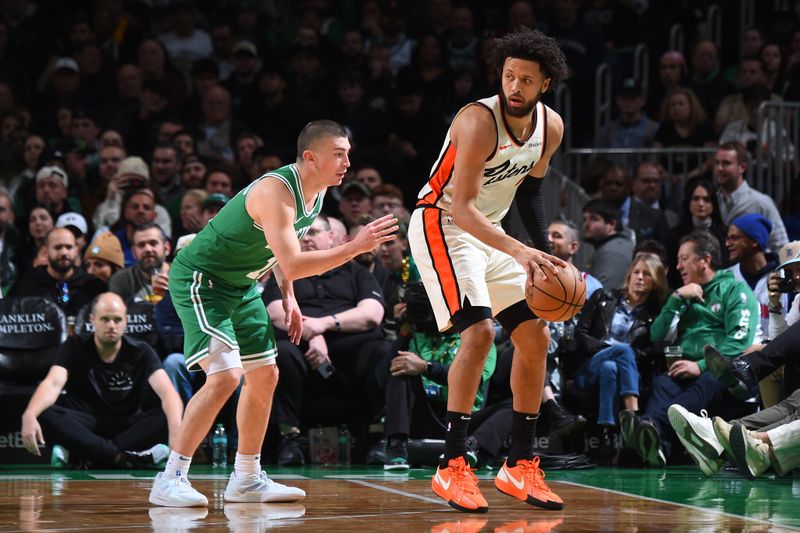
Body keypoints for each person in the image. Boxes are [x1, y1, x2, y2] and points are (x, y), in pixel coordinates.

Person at [148, 120, 397, 507]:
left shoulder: (314, 196)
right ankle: (171, 477)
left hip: (243, 285)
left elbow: (282, 257)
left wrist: (289, 296)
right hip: (203, 280)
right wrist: (354, 246)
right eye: (339, 153)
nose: (348, 161)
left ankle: (246, 478)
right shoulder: (276, 190)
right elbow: (296, 261)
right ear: (311, 157)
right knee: (226, 375)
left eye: (348, 152)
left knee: (265, 375)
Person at [408, 28, 569, 513]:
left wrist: (545, 258)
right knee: (478, 333)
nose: (514, 86)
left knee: (535, 335)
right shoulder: (478, 119)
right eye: (508, 76)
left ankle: (520, 463)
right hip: (443, 222)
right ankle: (452, 463)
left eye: (526, 79)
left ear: (545, 85)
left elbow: (530, 193)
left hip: (491, 230)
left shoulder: (551, 127)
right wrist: (520, 253)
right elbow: (461, 208)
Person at [264, 214, 394, 465]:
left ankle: (379, 437)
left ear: (331, 237)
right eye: (301, 234)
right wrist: (309, 336)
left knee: (382, 350)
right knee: (281, 352)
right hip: (301, 352)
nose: (306, 238)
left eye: (313, 232)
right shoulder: (285, 272)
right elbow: (275, 312)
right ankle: (290, 440)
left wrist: (320, 327)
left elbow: (372, 314)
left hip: (351, 356)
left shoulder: (357, 273)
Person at [623, 230, 758, 467]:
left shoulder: (735, 291)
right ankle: (658, 450)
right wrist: (676, 297)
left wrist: (701, 365)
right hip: (686, 371)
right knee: (661, 383)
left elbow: (739, 341)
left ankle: (652, 423)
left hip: (722, 373)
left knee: (709, 380)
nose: (678, 266)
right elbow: (656, 335)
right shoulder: (684, 295)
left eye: (684, 259)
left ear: (705, 261)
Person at [20, 293, 182, 469]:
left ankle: (86, 455)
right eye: (105, 319)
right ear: (92, 319)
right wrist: (29, 414)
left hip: (127, 425)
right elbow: (53, 383)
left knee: (166, 416)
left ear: (125, 321)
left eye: (117, 320)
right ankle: (124, 457)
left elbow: (167, 392)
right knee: (44, 414)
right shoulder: (74, 346)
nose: (111, 325)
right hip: (86, 424)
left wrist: (176, 431)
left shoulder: (140, 350)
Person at [567, 253, 669, 458]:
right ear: (629, 275)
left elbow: (650, 352)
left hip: (624, 372)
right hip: (589, 367)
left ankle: (606, 434)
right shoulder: (603, 297)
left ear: (656, 282)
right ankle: (634, 414)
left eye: (647, 274)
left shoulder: (655, 315)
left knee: (611, 367)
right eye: (637, 272)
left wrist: (618, 357)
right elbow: (580, 335)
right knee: (622, 350)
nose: (640, 277)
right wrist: (610, 350)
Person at [9, 227, 106, 316]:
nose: (64, 253)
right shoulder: (27, 285)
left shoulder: (93, 286)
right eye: (58, 247)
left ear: (76, 250)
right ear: (46, 252)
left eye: (69, 247)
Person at [714, 141, 788, 252]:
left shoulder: (761, 202)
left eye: (726, 163)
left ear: (742, 167)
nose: (719, 168)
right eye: (717, 163)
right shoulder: (710, 200)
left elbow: (781, 246)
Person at [582, 199, 635, 291]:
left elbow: (603, 293)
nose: (586, 224)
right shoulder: (611, 247)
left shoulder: (613, 251)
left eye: (594, 219)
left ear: (612, 224)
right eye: (585, 219)